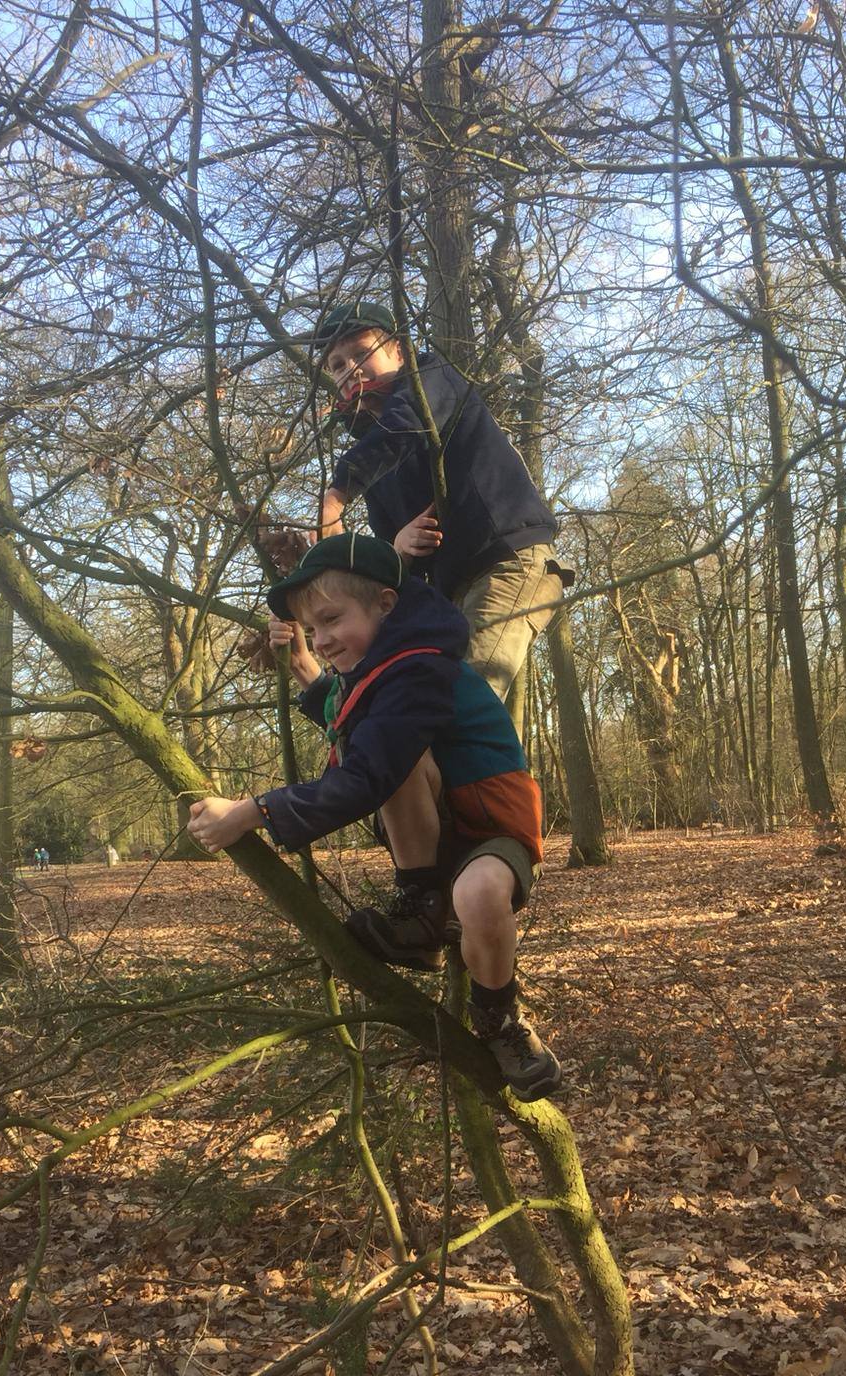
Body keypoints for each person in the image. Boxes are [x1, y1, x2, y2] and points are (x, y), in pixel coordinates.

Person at [188, 533, 561, 1102]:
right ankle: (422, 912)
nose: (324, 638)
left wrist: (251, 812)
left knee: (481, 892)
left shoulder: (417, 670)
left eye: (332, 620)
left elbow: (366, 773)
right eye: (314, 629)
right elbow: (352, 710)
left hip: (489, 823)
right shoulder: (380, 670)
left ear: (386, 604)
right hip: (439, 828)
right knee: (389, 761)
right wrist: (302, 666)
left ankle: (501, 1021)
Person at [262, 300, 567, 703]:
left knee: (459, 703)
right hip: (453, 591)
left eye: (361, 353)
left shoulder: (429, 382)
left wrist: (336, 495)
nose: (350, 368)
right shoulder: (373, 451)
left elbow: (406, 427)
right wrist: (397, 549)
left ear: (399, 351)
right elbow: (393, 574)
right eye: (337, 365)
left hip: (508, 561)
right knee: (467, 730)